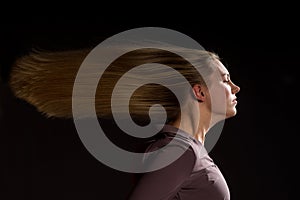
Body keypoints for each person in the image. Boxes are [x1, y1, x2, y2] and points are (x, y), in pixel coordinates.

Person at [9, 45, 240, 200]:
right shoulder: (180, 151)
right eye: (225, 80)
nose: (235, 88)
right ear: (199, 92)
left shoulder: (188, 150)